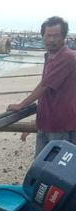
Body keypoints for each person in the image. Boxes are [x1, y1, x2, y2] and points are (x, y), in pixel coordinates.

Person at [7, 16, 76, 156]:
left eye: (56, 35)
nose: (51, 39)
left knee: (56, 169)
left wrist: (21, 105)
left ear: (63, 36)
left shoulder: (67, 57)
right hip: (46, 121)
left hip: (60, 124)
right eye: (48, 35)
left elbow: (45, 85)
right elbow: (47, 93)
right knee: (41, 166)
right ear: (43, 36)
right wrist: (36, 122)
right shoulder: (50, 56)